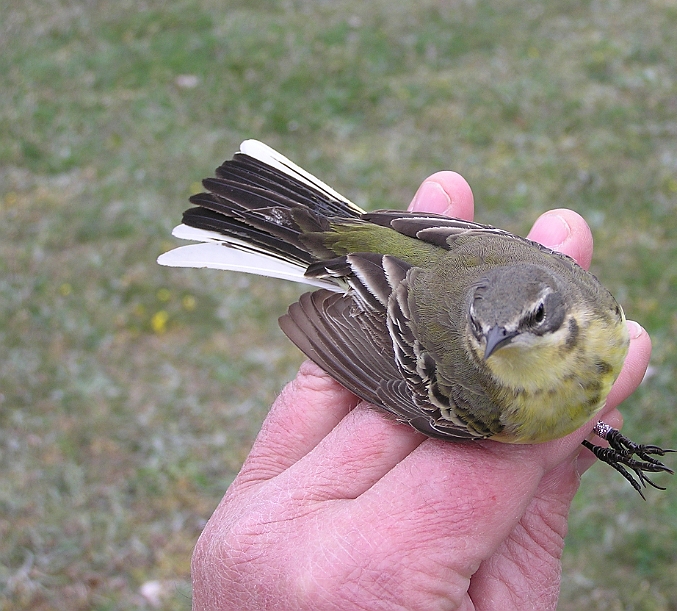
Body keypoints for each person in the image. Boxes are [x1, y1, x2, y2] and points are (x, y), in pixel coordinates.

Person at [190, 171, 652, 610]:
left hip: (422, 260)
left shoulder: (602, 322)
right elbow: (395, 379)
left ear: (562, 310)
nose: (494, 346)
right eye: (482, 331)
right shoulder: (488, 395)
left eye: (529, 323)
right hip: (402, 281)